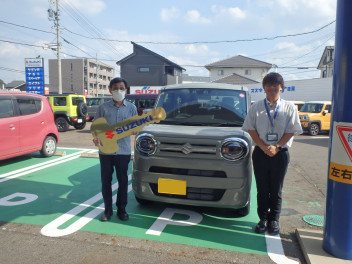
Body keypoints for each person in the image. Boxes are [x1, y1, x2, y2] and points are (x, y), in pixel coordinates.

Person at [242, 72, 302, 235]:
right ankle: (262, 219)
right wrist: (262, 146)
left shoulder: (290, 107)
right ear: (264, 88)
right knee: (262, 188)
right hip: (260, 153)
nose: (271, 87)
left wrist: (276, 146)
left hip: (280, 153)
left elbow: (293, 130)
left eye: (275, 84)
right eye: (268, 85)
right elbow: (250, 128)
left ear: (281, 87)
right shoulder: (256, 107)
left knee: (276, 189)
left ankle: (274, 220)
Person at [93, 77, 138, 221]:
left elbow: (135, 128)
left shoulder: (131, 108)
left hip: (123, 151)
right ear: (110, 90)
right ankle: (107, 210)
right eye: (116, 88)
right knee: (106, 181)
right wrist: (95, 137)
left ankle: (122, 209)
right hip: (105, 151)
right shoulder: (103, 108)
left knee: (123, 181)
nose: (119, 91)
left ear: (126, 90)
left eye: (122, 88)